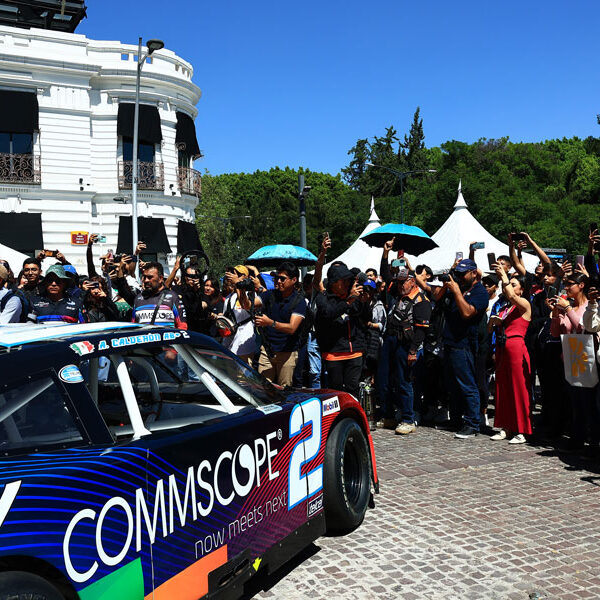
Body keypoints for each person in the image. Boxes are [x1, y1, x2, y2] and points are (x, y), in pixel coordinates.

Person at [429, 259, 489, 439]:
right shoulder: (458, 288)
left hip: (464, 344)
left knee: (467, 384)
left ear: (473, 273)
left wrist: (456, 292)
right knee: (452, 385)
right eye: (459, 274)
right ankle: (455, 419)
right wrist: (449, 286)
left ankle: (472, 423)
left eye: (464, 274)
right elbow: (436, 299)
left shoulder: (480, 292)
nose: (461, 277)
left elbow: (467, 313)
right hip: (449, 342)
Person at [550, 272, 598, 452]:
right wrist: (556, 314)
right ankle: (576, 439)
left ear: (582, 285)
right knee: (574, 402)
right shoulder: (565, 306)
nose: (567, 287)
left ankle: (593, 442)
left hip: (587, 360)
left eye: (570, 284)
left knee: (589, 403)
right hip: (569, 359)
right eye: (565, 284)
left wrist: (569, 310)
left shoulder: (588, 306)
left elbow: (584, 328)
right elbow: (555, 333)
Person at [488, 267, 532, 444]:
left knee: (518, 388)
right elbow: (490, 328)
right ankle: (506, 426)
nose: (509, 288)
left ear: (521, 289)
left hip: (516, 347)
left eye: (514, 285)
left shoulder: (524, 304)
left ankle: (521, 430)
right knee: (503, 388)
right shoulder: (505, 307)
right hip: (502, 346)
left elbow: (513, 296)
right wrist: (493, 321)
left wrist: (505, 276)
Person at [314, 264, 368, 398]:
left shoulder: (353, 296)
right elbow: (328, 313)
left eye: (348, 280)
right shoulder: (323, 297)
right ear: (333, 282)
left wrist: (363, 301)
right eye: (342, 280)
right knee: (335, 391)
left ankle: (354, 417)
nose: (346, 283)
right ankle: (338, 418)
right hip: (333, 353)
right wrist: (348, 302)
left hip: (355, 352)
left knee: (353, 389)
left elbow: (365, 317)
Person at [253, 261, 306, 386]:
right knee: (263, 388)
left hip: (287, 353)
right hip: (267, 350)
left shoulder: (299, 301)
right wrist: (240, 290)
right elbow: (248, 305)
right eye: (276, 278)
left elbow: (292, 328)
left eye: (282, 278)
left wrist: (270, 323)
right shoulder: (270, 295)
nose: (278, 281)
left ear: (294, 280)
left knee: (284, 390)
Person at [116, 261, 187, 329]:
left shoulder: (172, 297)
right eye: (144, 277)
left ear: (160, 279)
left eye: (150, 277)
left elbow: (182, 326)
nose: (146, 280)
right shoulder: (138, 299)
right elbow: (134, 325)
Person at [220, 265, 257, 364]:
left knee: (244, 373)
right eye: (232, 273)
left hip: (244, 340)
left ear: (245, 277)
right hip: (230, 339)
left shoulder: (251, 293)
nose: (233, 276)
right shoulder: (229, 297)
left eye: (238, 275)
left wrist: (238, 284)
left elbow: (245, 305)